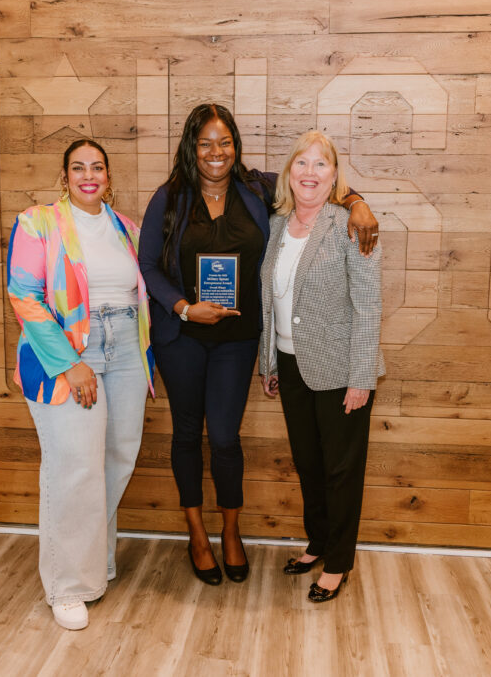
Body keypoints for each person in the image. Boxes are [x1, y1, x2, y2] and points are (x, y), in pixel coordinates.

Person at [138, 104, 379, 586]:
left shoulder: (257, 188)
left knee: (225, 438)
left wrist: (357, 202)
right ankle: (196, 534)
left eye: (224, 141)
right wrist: (184, 306)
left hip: (237, 341)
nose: (215, 152)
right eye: (205, 142)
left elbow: (311, 178)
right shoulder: (169, 198)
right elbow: (147, 266)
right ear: (190, 145)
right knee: (187, 435)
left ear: (236, 146)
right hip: (181, 336)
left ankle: (230, 533)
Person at [7, 139, 154, 630]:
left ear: (108, 176)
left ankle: (94, 564)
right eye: (78, 167)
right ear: (64, 176)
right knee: (75, 466)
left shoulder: (126, 229)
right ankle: (67, 585)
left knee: (116, 458)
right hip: (70, 352)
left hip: (127, 348)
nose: (88, 175)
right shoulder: (38, 223)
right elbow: (24, 296)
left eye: (97, 167)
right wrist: (70, 363)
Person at [258, 131, 385, 602]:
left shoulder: (352, 224)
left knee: (341, 470)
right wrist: (269, 360)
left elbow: (368, 307)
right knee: (309, 465)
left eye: (321, 165)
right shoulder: (276, 225)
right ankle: (318, 542)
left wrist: (361, 377)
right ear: (288, 172)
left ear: (335, 176)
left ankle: (339, 561)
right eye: (301, 164)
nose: (310, 173)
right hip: (291, 368)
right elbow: (271, 300)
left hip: (339, 369)